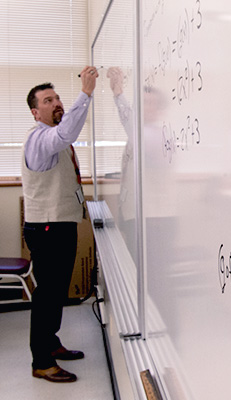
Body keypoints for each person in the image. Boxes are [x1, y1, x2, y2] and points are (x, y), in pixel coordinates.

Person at [22, 66, 98, 383]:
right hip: (48, 229)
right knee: (47, 295)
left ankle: (50, 345)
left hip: (59, 226)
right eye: (47, 100)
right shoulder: (41, 140)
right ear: (35, 112)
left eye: (57, 98)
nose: (56, 103)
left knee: (55, 293)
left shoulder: (54, 141)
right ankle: (41, 361)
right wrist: (87, 93)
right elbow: (67, 131)